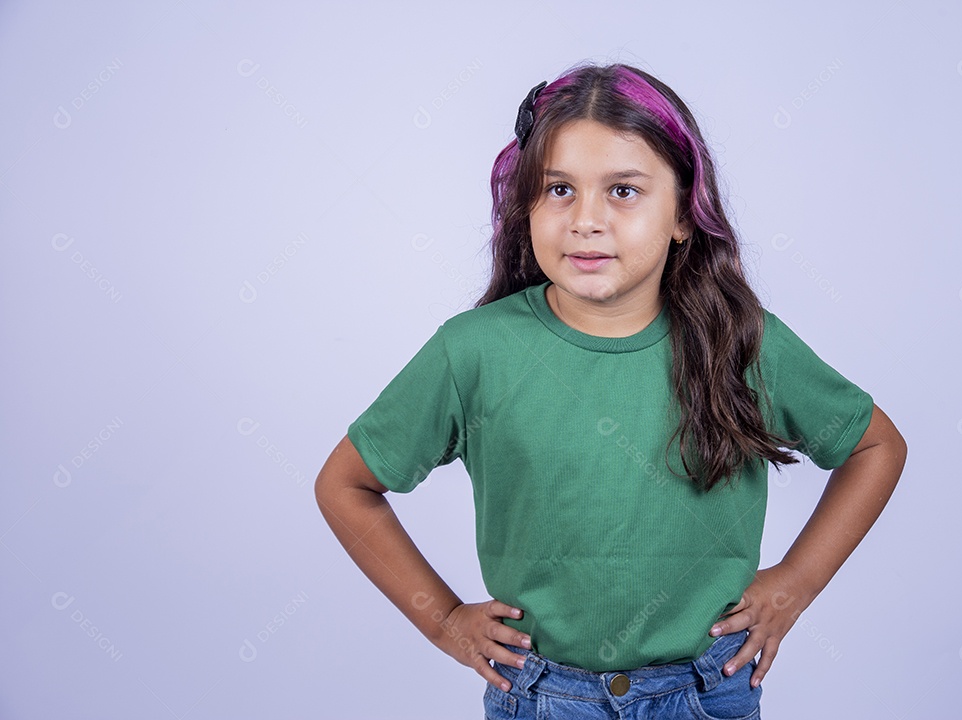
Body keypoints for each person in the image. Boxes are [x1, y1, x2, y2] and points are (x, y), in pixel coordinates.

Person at [314, 61, 906, 719]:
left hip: (707, 693)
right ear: (526, 206)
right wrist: (446, 619)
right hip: (540, 698)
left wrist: (793, 586)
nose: (586, 220)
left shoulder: (742, 342)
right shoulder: (473, 350)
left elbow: (874, 447)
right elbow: (346, 484)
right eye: (559, 189)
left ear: (684, 213)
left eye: (623, 191)